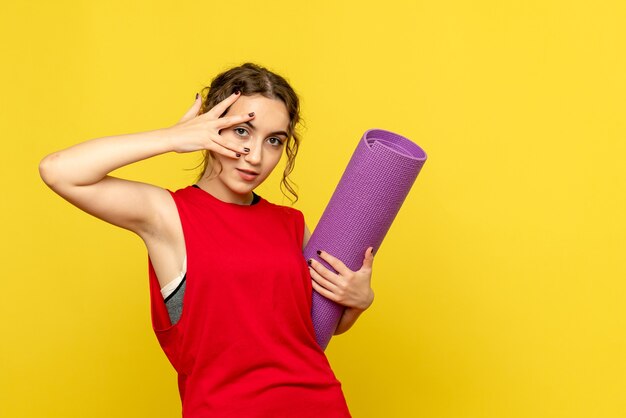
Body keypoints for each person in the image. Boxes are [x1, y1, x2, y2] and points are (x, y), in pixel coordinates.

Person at [39, 62, 375, 417]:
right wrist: (171, 137)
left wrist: (357, 302)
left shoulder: (292, 224)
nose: (256, 157)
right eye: (242, 131)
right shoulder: (168, 215)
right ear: (209, 126)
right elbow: (58, 170)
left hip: (320, 405)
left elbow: (310, 331)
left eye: (274, 140)